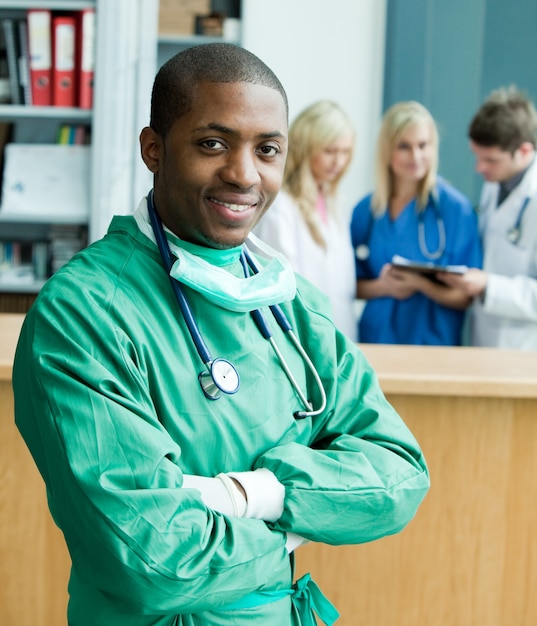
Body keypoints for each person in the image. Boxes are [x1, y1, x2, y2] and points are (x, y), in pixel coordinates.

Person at [13, 44, 429, 626]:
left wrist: (250, 496)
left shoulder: (293, 305)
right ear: (153, 149)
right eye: (212, 144)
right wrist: (303, 521)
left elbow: (399, 476)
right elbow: (153, 562)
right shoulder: (85, 314)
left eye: (267, 150)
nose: (243, 174)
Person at [350, 100, 482, 345]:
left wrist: (420, 284)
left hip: (432, 345)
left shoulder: (455, 210)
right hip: (375, 341)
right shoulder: (366, 211)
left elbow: (466, 297)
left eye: (423, 145)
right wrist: (384, 287)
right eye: (404, 147)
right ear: (387, 151)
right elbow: (346, 284)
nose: (416, 156)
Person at [438, 86, 537, 349]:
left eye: (491, 160)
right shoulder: (494, 184)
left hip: (525, 347)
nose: (479, 168)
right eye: (477, 156)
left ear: (524, 151)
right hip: (485, 337)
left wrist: (488, 285)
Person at [254, 100, 357, 340]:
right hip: (301, 336)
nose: (338, 162)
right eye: (330, 151)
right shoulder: (281, 206)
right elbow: (283, 288)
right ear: (305, 148)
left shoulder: (335, 201)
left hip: (339, 332)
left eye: (345, 152)